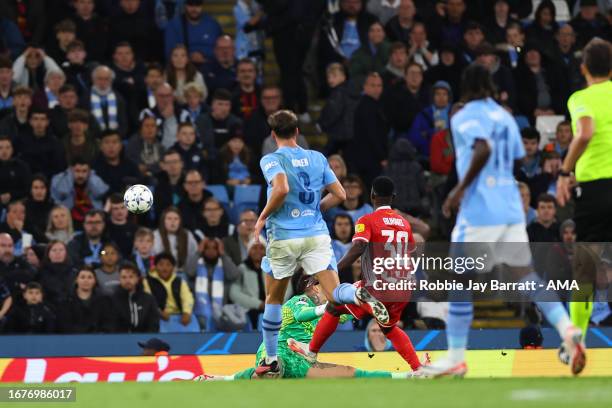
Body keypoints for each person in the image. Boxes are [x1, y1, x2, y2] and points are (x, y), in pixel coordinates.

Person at [421, 64, 584, 377]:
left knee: (458, 281)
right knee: (527, 276)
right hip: (510, 207)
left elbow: (483, 148)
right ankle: (567, 329)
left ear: (466, 88)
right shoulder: (506, 116)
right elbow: (519, 158)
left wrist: (457, 190)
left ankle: (456, 356)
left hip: (480, 209)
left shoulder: (463, 116)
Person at [253, 110, 385, 376]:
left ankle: (270, 359)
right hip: (315, 234)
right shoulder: (317, 158)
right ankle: (358, 292)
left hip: (284, 236)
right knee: (336, 294)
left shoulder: (271, 158)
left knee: (274, 299)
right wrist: (315, 211)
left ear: (273, 134)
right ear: (298, 132)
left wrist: (262, 218)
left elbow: (281, 188)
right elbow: (340, 194)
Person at [289, 177, 423, 373]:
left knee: (335, 305)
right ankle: (418, 368)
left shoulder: (367, 220)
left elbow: (359, 246)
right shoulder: (405, 224)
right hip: (402, 287)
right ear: (393, 197)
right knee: (388, 328)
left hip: (377, 285)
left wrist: (331, 271)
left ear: (372, 195)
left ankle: (312, 351)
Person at [196, 276, 414, 381]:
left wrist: (371, 295)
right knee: (273, 371)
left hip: (304, 360)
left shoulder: (332, 313)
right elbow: (302, 315)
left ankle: (407, 377)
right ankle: (221, 379)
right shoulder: (299, 300)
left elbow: (357, 309)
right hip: (279, 352)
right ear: (311, 287)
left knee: (348, 375)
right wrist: (326, 307)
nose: (327, 288)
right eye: (321, 284)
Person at [556, 38, 612, 350]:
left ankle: (576, 342)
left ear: (584, 68)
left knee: (585, 265)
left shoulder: (581, 97)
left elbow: (586, 132)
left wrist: (565, 171)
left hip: (594, 191)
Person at [345, 73, 388, 190]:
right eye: (373, 85)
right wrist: (382, 157)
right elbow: (372, 134)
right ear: (365, 87)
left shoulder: (372, 105)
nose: (377, 89)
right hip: (369, 160)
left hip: (368, 159)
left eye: (379, 85)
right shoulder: (367, 107)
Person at [193, 237, 241, 331]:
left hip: (222, 316)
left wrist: (223, 254)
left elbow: (234, 274)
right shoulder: (197, 265)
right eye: (207, 248)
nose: (211, 251)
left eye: (214, 248)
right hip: (199, 315)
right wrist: (198, 252)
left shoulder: (223, 265)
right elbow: (189, 271)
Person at [143, 252, 196, 331]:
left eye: (168, 265)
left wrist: (186, 313)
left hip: (179, 315)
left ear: (173, 268)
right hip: (158, 315)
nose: (165, 268)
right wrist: (158, 312)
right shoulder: (147, 281)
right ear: (155, 267)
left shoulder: (180, 281)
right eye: (161, 265)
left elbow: (187, 297)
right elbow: (148, 299)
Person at [51, 158, 109, 227]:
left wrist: (90, 176)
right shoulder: (59, 179)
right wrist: (69, 176)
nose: (80, 175)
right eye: (77, 171)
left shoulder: (93, 179)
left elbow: (101, 192)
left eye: (84, 171)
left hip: (93, 221)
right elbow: (62, 192)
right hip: (68, 222)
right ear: (71, 170)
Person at [108, 262, 160, 333]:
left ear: (137, 279)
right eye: (124, 277)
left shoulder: (148, 299)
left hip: (145, 339)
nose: (127, 280)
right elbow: (110, 325)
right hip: (119, 339)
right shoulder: (112, 300)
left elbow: (154, 324)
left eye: (131, 277)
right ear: (119, 279)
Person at [17, 106, 66, 180]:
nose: (39, 123)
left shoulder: (55, 143)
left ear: (47, 122)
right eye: (36, 119)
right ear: (30, 121)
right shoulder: (21, 141)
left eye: (42, 119)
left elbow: (59, 168)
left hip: (49, 181)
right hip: (26, 181)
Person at [407, 80, 452, 158]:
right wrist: (431, 134)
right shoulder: (423, 114)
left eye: (444, 94)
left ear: (449, 97)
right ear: (432, 96)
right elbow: (414, 137)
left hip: (451, 158)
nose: (441, 97)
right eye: (438, 94)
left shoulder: (456, 113)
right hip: (427, 157)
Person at [57, 266, 109, 333]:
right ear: (76, 280)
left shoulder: (104, 301)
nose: (86, 280)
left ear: (95, 281)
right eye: (82, 277)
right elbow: (64, 325)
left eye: (90, 277)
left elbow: (107, 323)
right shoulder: (66, 301)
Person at [230, 237, 266, 328]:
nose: (258, 251)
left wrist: (272, 304)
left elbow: (285, 289)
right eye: (254, 248)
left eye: (261, 248)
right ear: (249, 251)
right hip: (249, 310)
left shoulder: (273, 269)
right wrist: (259, 304)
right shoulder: (241, 269)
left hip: (273, 309)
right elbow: (234, 293)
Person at [153, 207, 199, 278]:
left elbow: (193, 257)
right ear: (163, 221)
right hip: (160, 275)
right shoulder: (155, 235)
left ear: (180, 221)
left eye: (176, 219)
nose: (173, 222)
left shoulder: (187, 235)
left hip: (182, 274)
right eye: (169, 218)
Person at [86, 66, 129, 139]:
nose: (103, 82)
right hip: (93, 140)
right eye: (99, 79)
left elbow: (123, 122)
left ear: (111, 81)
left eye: (106, 79)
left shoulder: (119, 98)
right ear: (93, 79)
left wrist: (116, 138)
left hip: (116, 139)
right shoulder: (85, 98)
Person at [348, 21, 392, 86]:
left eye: (378, 30)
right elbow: (354, 75)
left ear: (384, 34)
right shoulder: (358, 54)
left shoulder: (392, 49)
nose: (375, 34)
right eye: (372, 31)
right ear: (368, 34)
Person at [36, 240, 76, 308]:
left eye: (61, 250)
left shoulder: (74, 272)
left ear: (66, 253)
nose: (58, 253)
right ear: (48, 254)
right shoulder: (40, 273)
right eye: (54, 250)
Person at [154, 149, 185, 219]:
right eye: (168, 163)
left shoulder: (190, 183)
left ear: (182, 164)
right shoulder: (159, 187)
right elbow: (158, 212)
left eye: (175, 162)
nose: (172, 165)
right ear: (163, 166)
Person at [0, 136, 30, 208]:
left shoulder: (22, 166)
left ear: (12, 150)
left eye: (7, 148)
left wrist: (11, 195)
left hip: (18, 202)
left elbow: (27, 188)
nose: (4, 151)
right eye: (0, 148)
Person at [24, 174, 54, 243]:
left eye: (42, 187)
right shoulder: (24, 208)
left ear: (47, 189)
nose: (39, 191)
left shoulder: (53, 208)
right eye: (36, 188)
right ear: (31, 190)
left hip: (49, 243)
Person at [106, 193, 138, 258]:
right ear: (110, 210)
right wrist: (105, 211)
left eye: (123, 207)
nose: (120, 211)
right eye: (116, 209)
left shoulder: (135, 228)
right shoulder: (104, 227)